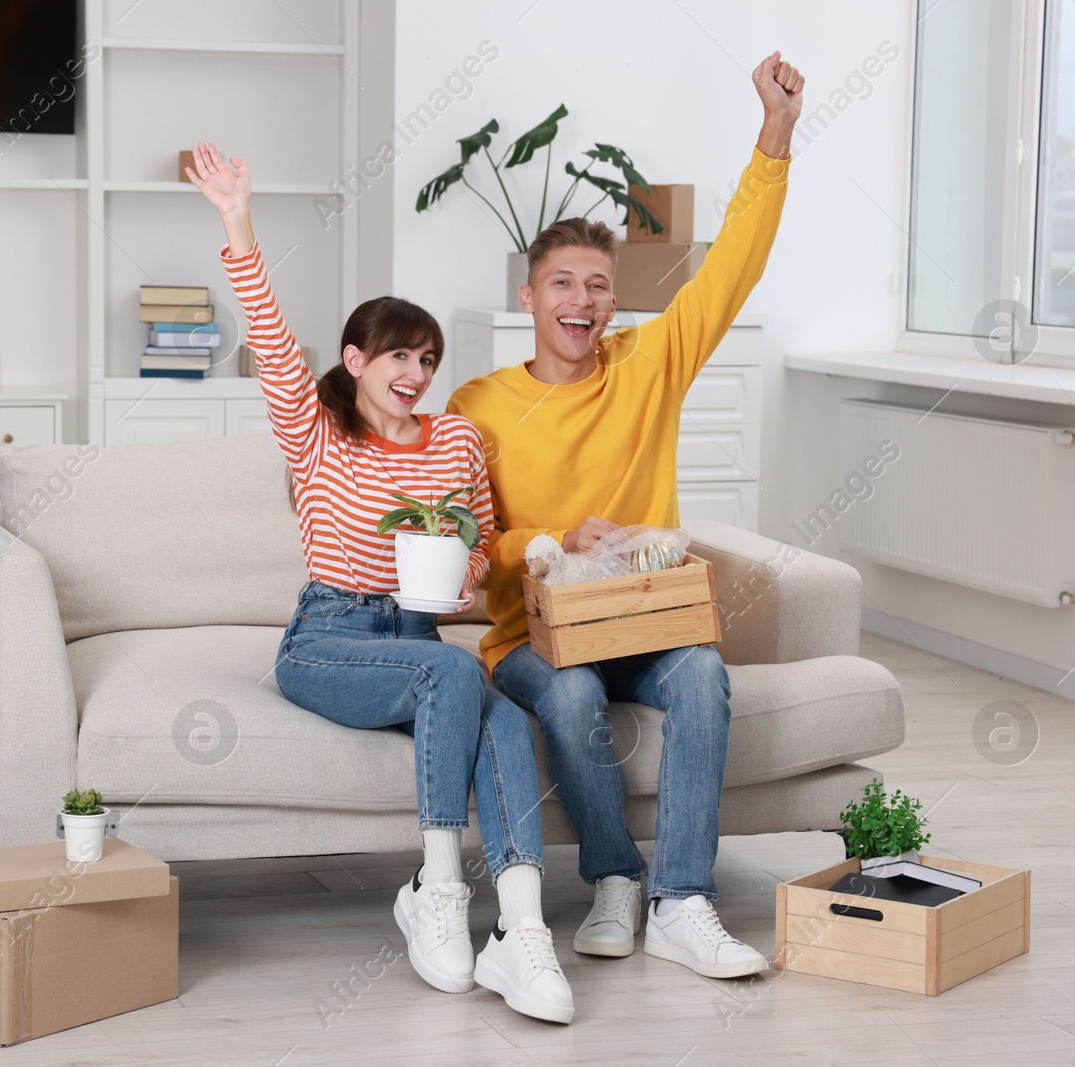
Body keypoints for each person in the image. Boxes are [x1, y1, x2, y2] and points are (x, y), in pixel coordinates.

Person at [187, 143, 573, 1023]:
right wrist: (236, 217)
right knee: (455, 673)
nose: (415, 374)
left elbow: (476, 553)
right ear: (357, 361)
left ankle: (519, 928)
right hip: (326, 638)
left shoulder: (457, 442)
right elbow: (276, 344)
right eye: (398, 356)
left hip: (414, 636)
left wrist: (460, 569)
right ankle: (437, 888)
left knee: (502, 714)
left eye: (428, 360)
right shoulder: (318, 434)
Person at [445, 53, 804, 978]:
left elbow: (733, 264)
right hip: (533, 637)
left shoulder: (649, 365)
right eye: (562, 283)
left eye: (597, 286)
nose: (581, 301)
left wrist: (775, 134)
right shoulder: (478, 405)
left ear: (614, 299)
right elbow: (467, 544)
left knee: (701, 675)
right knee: (566, 689)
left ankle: (683, 899)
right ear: (528, 297)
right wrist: (552, 544)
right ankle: (614, 876)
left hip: (644, 621)